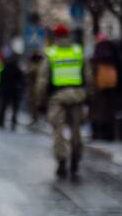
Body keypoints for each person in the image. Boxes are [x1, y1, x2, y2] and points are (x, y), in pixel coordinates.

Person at [38, 23, 92, 178]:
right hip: (77, 96)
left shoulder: (51, 53)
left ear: (55, 36)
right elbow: (88, 76)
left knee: (58, 130)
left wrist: (40, 100)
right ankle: (76, 157)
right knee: (76, 130)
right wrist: (90, 95)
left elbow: (42, 80)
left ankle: (62, 160)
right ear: (68, 35)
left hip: (57, 98)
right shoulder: (77, 51)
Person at [90, 34, 122, 140]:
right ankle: (111, 134)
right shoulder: (113, 50)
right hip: (112, 84)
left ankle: (98, 133)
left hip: (99, 85)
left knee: (99, 109)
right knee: (111, 110)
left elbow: (91, 70)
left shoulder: (98, 52)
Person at [0, 46, 24, 131]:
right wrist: (20, 89)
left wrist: (0, 89)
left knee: (4, 106)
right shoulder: (17, 69)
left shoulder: (4, 70)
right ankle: (13, 123)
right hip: (15, 91)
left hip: (6, 91)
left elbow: (0, 81)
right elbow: (21, 80)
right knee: (14, 108)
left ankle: (1, 122)